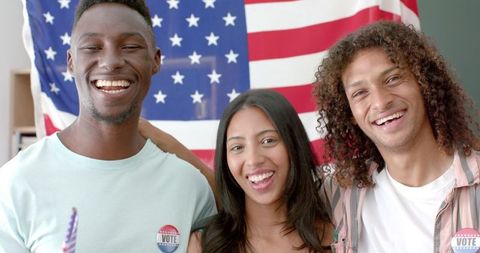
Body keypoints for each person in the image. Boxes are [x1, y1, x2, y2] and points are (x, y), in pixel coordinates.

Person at [0, 1, 216, 252]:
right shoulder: (17, 183)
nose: (111, 62)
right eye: (92, 47)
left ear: (155, 61)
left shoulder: (189, 187)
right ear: (71, 62)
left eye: (131, 46)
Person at [314, 21, 480, 253]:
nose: (381, 102)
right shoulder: (338, 193)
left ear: (424, 83)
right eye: (360, 93)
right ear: (349, 112)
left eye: (393, 79)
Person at [185, 89, 332, 252]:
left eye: (268, 140)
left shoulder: (338, 235)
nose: (253, 160)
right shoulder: (203, 244)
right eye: (237, 147)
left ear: (294, 145)